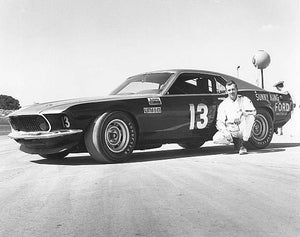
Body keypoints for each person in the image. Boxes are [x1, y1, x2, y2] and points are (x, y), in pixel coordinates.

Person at [213, 80, 257, 155]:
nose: (231, 92)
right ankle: (236, 143)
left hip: (243, 127)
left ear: (237, 89)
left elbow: (254, 112)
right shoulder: (223, 104)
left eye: (233, 89)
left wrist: (242, 115)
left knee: (250, 117)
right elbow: (219, 121)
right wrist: (225, 132)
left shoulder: (244, 99)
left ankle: (243, 145)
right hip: (231, 128)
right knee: (216, 139)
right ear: (226, 91)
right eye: (229, 90)